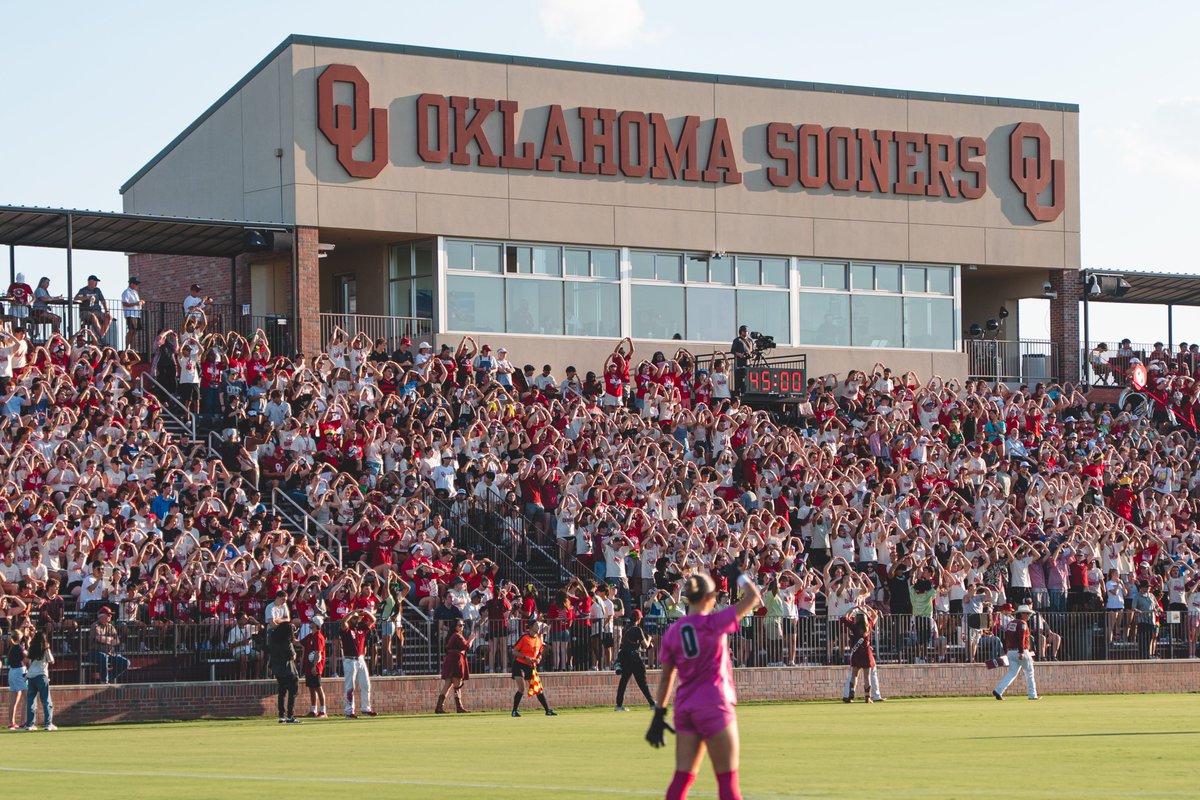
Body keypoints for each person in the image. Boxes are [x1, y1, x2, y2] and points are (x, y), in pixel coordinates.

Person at [647, 558, 762, 800]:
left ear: (687, 598)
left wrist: (659, 713)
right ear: (710, 597)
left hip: (686, 707)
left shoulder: (674, 631)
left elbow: (667, 678)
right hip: (715, 704)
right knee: (727, 782)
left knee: (682, 779)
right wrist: (739, 575)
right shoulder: (715, 622)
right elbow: (752, 598)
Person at [511, 619, 557, 717]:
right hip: (519, 664)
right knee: (521, 688)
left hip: (530, 665)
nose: (538, 626)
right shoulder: (524, 637)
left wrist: (538, 659)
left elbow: (540, 652)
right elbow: (514, 651)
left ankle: (547, 710)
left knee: (538, 688)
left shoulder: (539, 639)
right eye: (536, 625)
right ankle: (514, 711)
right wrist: (525, 657)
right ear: (531, 627)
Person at [992, 604, 1039, 701]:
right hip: (1021, 651)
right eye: (1027, 613)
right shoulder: (1022, 624)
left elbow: (1008, 638)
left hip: (1011, 651)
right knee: (1029, 672)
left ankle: (999, 690)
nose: (1028, 616)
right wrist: (1021, 651)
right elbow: (1021, 638)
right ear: (1022, 614)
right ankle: (1032, 694)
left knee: (1012, 673)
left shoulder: (1011, 623)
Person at [841, 605, 884, 703]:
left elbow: (845, 617)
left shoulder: (853, 626)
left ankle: (851, 696)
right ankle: (867, 697)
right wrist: (866, 608)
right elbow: (875, 616)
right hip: (866, 654)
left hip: (856, 653)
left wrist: (853, 608)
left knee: (854, 675)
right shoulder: (868, 625)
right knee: (867, 676)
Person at [615, 608, 654, 711]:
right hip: (634, 658)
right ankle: (652, 704)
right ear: (639, 619)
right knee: (642, 682)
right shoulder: (637, 629)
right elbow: (645, 645)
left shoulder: (626, 628)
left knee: (623, 681)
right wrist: (649, 639)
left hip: (625, 657)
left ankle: (618, 705)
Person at [341, 609, 377, 719]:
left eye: (357, 618)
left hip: (360, 659)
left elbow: (373, 620)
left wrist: (366, 613)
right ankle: (349, 710)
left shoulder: (361, 629)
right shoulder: (346, 629)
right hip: (349, 660)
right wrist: (353, 613)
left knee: (366, 684)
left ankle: (366, 708)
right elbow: (343, 622)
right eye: (354, 618)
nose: (356, 620)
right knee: (350, 686)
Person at [436, 618, 476, 713]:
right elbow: (467, 647)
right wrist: (471, 639)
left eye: (462, 625)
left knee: (448, 685)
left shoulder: (453, 635)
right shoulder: (457, 636)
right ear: (455, 627)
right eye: (460, 625)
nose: (462, 627)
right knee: (457, 685)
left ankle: (439, 707)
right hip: (455, 661)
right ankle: (459, 707)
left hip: (451, 660)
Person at [267, 621, 301, 724]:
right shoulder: (287, 642)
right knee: (292, 694)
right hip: (289, 671)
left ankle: (281, 716)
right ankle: (290, 716)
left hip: (278, 670)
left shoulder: (273, 641)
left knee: (281, 693)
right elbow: (292, 656)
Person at [23, 629, 55, 731]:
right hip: (41, 675)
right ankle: (48, 724)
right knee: (46, 701)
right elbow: (51, 661)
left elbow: (28, 661)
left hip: (31, 676)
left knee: (31, 701)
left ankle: (30, 724)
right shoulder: (46, 650)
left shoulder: (32, 649)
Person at [91, 607, 130, 684]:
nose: (110, 617)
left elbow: (117, 641)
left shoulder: (111, 626)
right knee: (103, 657)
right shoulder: (95, 625)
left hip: (109, 652)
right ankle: (104, 681)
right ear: (102, 616)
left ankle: (109, 677)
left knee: (126, 662)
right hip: (95, 652)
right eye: (109, 615)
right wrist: (110, 639)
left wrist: (105, 640)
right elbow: (98, 638)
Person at [301, 615, 327, 718]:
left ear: (316, 624)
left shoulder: (318, 637)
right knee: (311, 688)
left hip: (315, 667)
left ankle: (323, 711)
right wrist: (290, 636)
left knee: (318, 687)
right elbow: (299, 643)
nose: (309, 623)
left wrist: (314, 666)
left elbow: (318, 653)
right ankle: (313, 710)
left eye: (311, 622)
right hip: (309, 666)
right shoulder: (310, 636)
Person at [6, 628, 27, 730]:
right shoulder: (18, 647)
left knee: (13, 700)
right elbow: (27, 655)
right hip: (19, 671)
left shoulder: (11, 647)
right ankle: (23, 722)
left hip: (12, 672)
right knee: (27, 697)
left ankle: (11, 722)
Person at [730, 326, 752, 395]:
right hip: (739, 363)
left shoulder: (750, 340)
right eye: (744, 331)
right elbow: (733, 350)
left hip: (748, 363)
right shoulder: (737, 340)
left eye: (746, 331)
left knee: (748, 380)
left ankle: (747, 392)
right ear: (741, 332)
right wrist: (739, 354)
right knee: (739, 380)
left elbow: (752, 351)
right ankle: (738, 393)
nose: (745, 332)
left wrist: (752, 355)